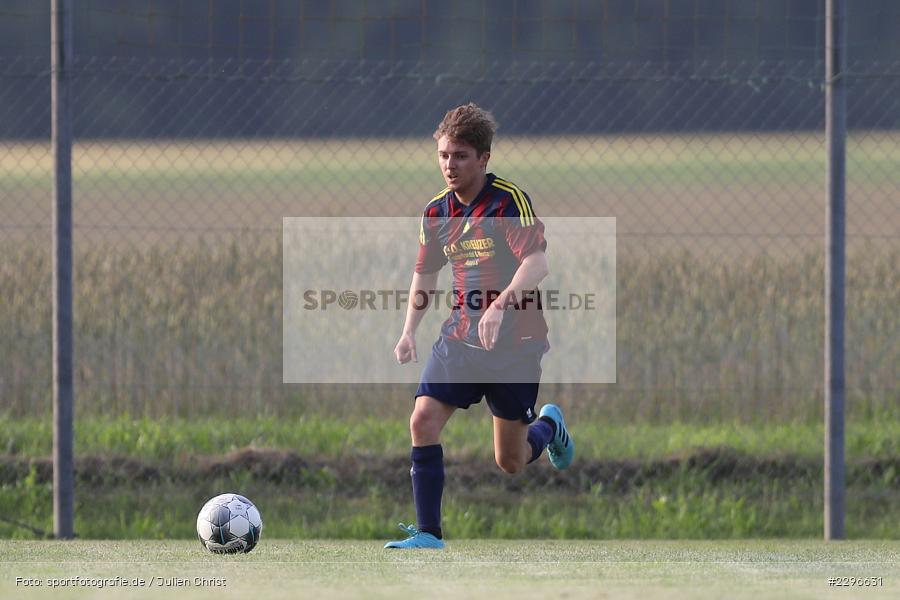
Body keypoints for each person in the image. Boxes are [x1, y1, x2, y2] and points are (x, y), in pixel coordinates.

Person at [385, 103, 574, 550]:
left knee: (510, 460)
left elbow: (537, 262)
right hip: (461, 337)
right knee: (422, 419)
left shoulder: (508, 201)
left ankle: (548, 427)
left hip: (516, 343)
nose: (450, 165)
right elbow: (426, 272)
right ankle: (429, 534)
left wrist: (501, 303)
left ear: (484, 158)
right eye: (444, 155)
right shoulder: (436, 213)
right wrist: (409, 329)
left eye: (461, 155)